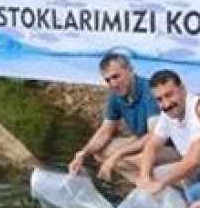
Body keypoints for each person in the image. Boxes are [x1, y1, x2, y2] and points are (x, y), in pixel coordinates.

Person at [68, 52, 169, 180]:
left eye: (116, 77)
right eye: (108, 80)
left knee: (136, 159)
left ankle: (148, 185)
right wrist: (83, 154)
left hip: (166, 146)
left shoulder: (150, 91)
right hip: (142, 140)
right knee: (99, 152)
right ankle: (141, 181)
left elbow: (154, 137)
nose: (113, 83)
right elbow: (105, 131)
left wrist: (118, 155)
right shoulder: (116, 95)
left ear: (131, 71)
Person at [135, 69, 200, 195]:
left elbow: (194, 160)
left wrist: (161, 184)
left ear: (182, 89)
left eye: (169, 95)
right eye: (159, 99)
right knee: (144, 168)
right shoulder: (169, 112)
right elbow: (152, 147)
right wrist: (145, 177)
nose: (166, 104)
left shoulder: (198, 108)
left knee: (169, 173)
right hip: (190, 162)